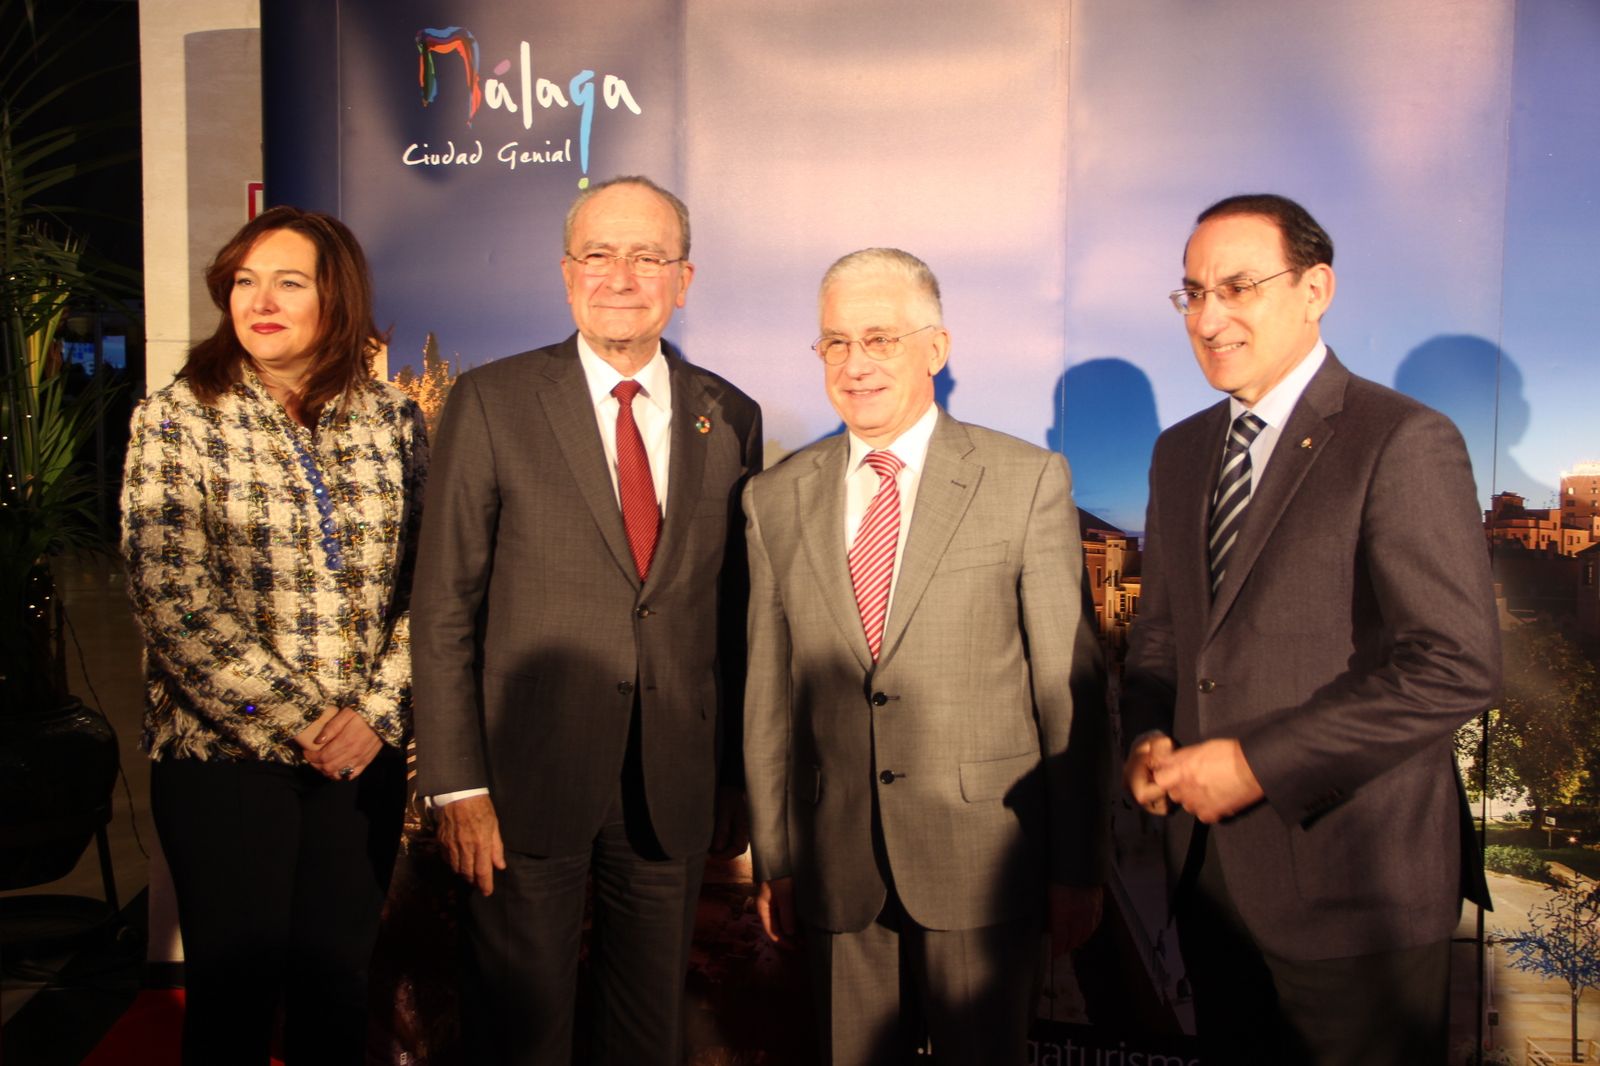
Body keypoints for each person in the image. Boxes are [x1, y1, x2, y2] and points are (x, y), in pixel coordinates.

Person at [1120, 193, 1499, 1065]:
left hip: (1354, 892)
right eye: (1192, 293)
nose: (1209, 317)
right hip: (1210, 887)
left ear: (1316, 289)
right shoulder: (1179, 453)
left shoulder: (1401, 439)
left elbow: (1456, 666)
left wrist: (1257, 764)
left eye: (1239, 287)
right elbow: (1165, 641)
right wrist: (1146, 732)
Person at [410, 175, 762, 1065]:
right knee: (520, 1035)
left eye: (648, 256)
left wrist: (732, 779)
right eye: (600, 254)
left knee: (649, 1036)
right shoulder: (491, 402)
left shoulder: (733, 416)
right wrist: (456, 785)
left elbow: (735, 617)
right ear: (567, 276)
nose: (622, 275)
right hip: (520, 786)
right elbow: (444, 604)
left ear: (684, 279)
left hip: (672, 789)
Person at [742, 248, 1107, 1065]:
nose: (854, 364)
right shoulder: (774, 498)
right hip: (837, 871)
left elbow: (1067, 690)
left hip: (985, 865)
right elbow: (769, 697)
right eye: (834, 342)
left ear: (936, 349)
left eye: (879, 339)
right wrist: (778, 857)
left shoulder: (1026, 481)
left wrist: (1079, 863)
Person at [121, 205, 426, 1064]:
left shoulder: (394, 420)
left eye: (290, 282)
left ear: (337, 297)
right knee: (236, 998)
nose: (262, 300)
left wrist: (374, 711)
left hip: (360, 757)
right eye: (246, 282)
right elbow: (171, 597)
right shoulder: (178, 418)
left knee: (337, 986)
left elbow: (429, 587)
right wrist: (299, 716)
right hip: (223, 758)